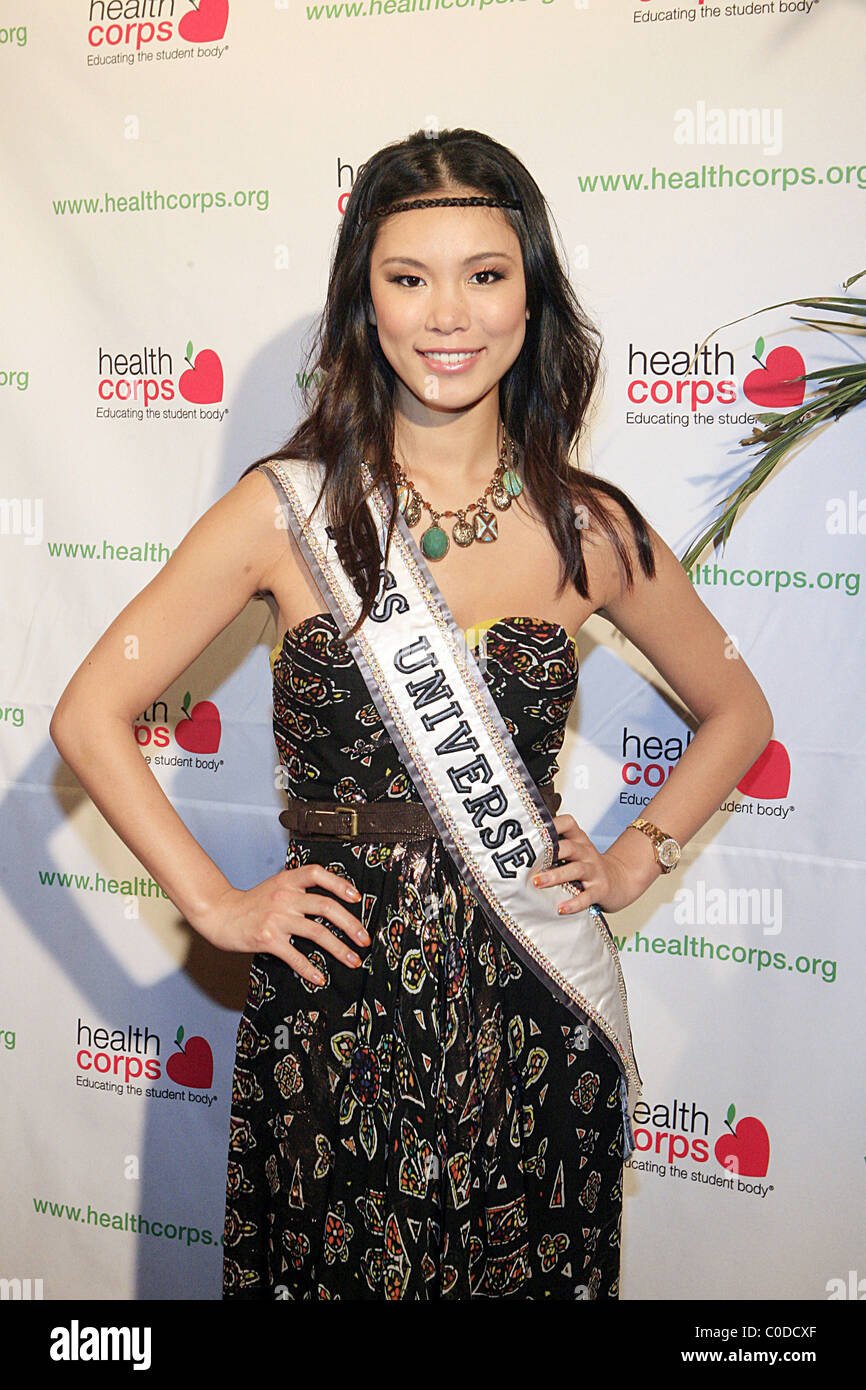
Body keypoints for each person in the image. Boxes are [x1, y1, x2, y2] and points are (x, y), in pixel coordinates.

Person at [50, 126, 773, 1301]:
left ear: (530, 301)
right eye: (408, 277)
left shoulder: (589, 527)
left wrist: (644, 851)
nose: (449, 315)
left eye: (485, 276)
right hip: (332, 1012)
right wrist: (213, 902)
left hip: (535, 1012)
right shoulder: (285, 510)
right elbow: (91, 713)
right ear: (363, 305)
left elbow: (735, 708)